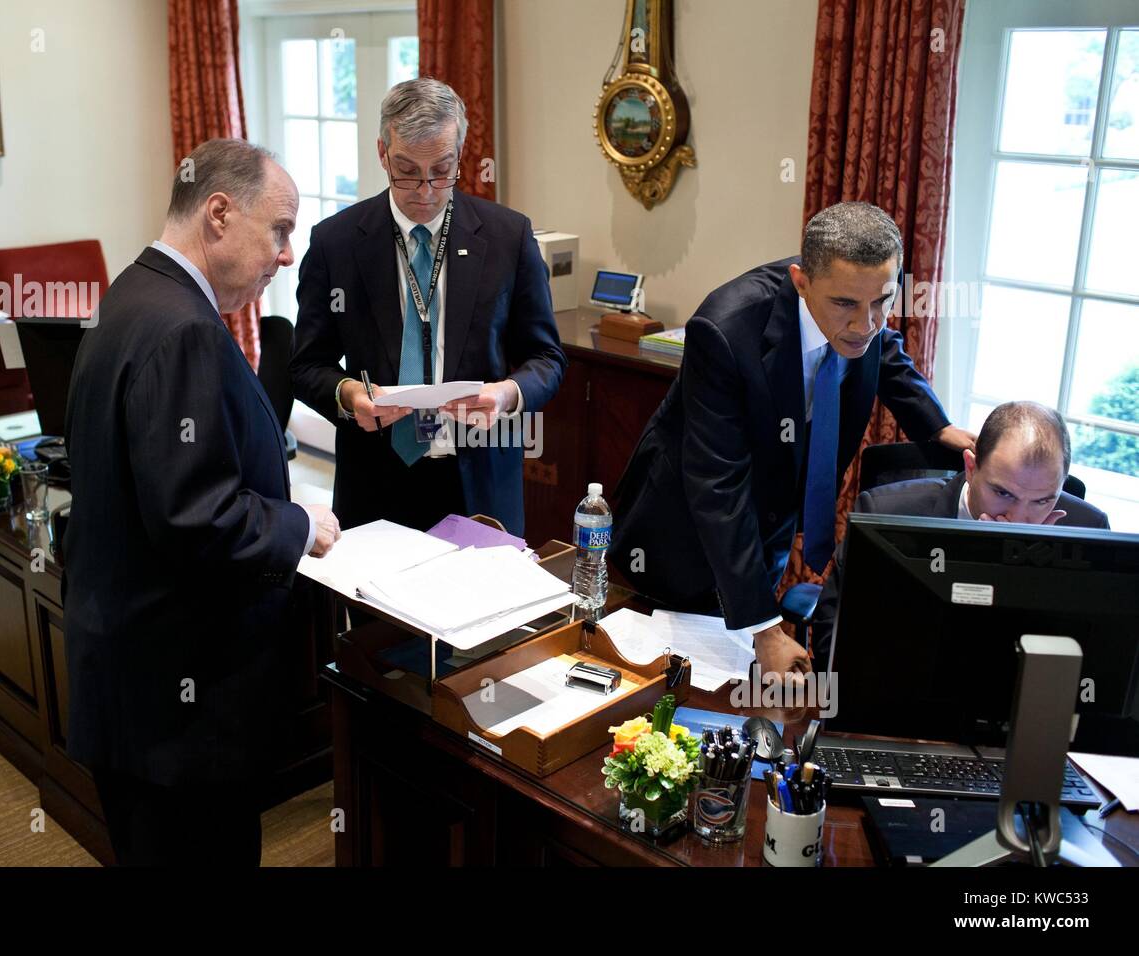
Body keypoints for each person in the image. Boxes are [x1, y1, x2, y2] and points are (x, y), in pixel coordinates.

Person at [62, 138, 340, 865]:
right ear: (218, 214)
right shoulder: (183, 328)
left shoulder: (130, 290)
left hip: (127, 678)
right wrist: (298, 522)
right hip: (176, 706)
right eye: (279, 230)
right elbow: (197, 518)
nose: (286, 255)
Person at [611, 201, 975, 678]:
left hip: (768, 520)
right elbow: (716, 486)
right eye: (846, 304)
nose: (866, 322)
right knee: (668, 680)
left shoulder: (860, 308)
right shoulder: (724, 330)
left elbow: (882, 350)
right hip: (680, 534)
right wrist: (766, 628)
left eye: (883, 302)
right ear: (802, 282)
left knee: (739, 673)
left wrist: (936, 425)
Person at [290, 78, 566, 536]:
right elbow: (305, 365)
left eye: (441, 171)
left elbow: (547, 359)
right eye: (406, 171)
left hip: (480, 480)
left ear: (460, 155)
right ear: (382, 153)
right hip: (376, 480)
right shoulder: (334, 243)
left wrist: (505, 395)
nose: (425, 189)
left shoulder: (508, 237)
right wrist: (349, 395)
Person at [809, 400, 1111, 669]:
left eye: (1043, 500)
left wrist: (1028, 578)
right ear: (970, 467)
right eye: (1002, 493)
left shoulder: (1088, 529)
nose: (1019, 518)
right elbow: (830, 641)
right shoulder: (887, 512)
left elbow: (1099, 663)